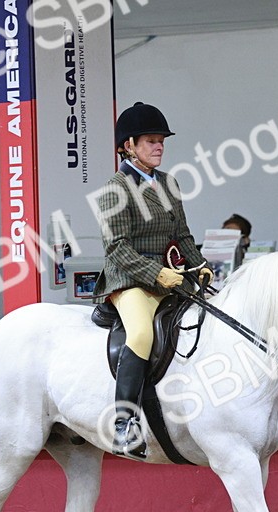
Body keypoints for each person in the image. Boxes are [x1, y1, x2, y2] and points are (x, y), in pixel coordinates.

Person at [93, 101, 211, 457]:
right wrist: (156, 273)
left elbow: (183, 234)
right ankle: (124, 423)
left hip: (171, 275)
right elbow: (117, 249)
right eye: (150, 141)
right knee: (142, 333)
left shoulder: (168, 183)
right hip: (130, 279)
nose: (159, 146)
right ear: (128, 145)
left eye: (161, 141)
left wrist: (200, 264)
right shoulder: (114, 190)